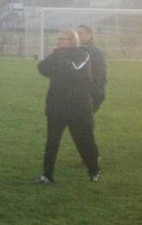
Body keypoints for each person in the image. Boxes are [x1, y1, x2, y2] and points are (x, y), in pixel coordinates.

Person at [36, 29, 101, 183]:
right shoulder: (58, 55)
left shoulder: (83, 55)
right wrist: (54, 54)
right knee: (52, 143)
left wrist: (59, 55)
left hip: (78, 108)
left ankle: (94, 170)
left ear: (72, 40)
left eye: (62, 39)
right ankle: (47, 175)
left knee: (83, 141)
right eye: (58, 39)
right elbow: (42, 68)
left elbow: (73, 70)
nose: (58, 42)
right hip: (56, 107)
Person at [77, 25, 107, 113]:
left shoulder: (95, 51)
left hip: (91, 94)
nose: (78, 36)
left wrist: (91, 91)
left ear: (90, 35)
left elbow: (99, 75)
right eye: (76, 33)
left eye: (80, 33)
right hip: (79, 93)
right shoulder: (77, 49)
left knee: (82, 122)